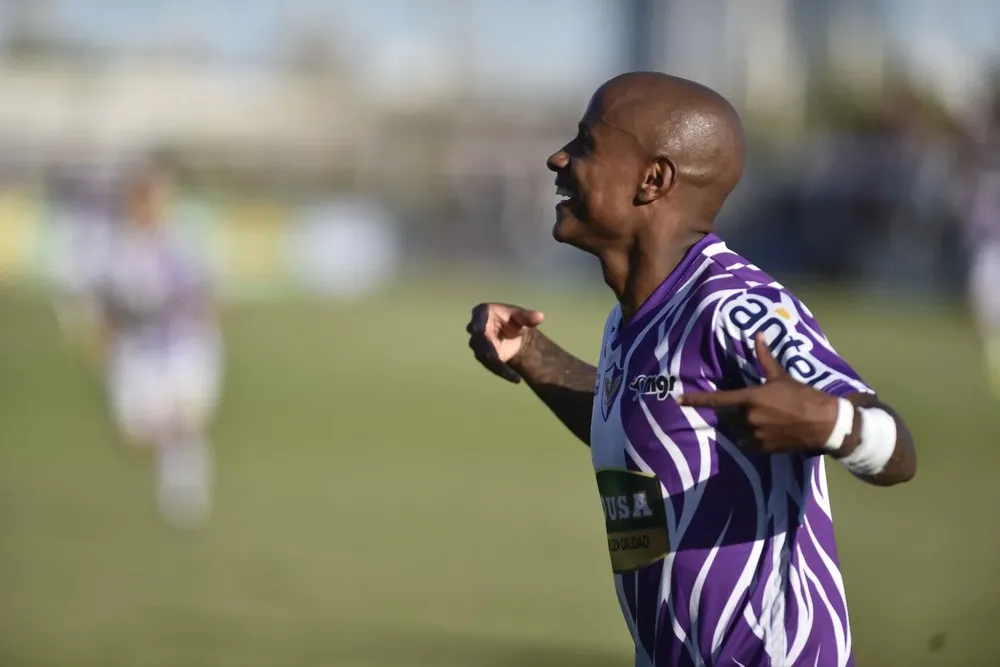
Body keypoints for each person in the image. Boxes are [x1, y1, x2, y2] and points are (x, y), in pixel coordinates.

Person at [466, 72, 917, 667]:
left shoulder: (736, 309)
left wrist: (834, 423)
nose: (559, 158)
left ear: (652, 180)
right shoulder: (633, 317)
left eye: (585, 144)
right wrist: (531, 354)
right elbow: (643, 430)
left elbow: (897, 451)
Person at [86, 163, 223, 530]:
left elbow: (206, 295)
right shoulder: (117, 250)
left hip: (181, 349)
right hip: (137, 356)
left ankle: (184, 496)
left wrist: (201, 326)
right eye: (142, 198)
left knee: (184, 420)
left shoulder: (183, 243)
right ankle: (176, 470)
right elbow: (107, 307)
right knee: (142, 435)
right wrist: (106, 344)